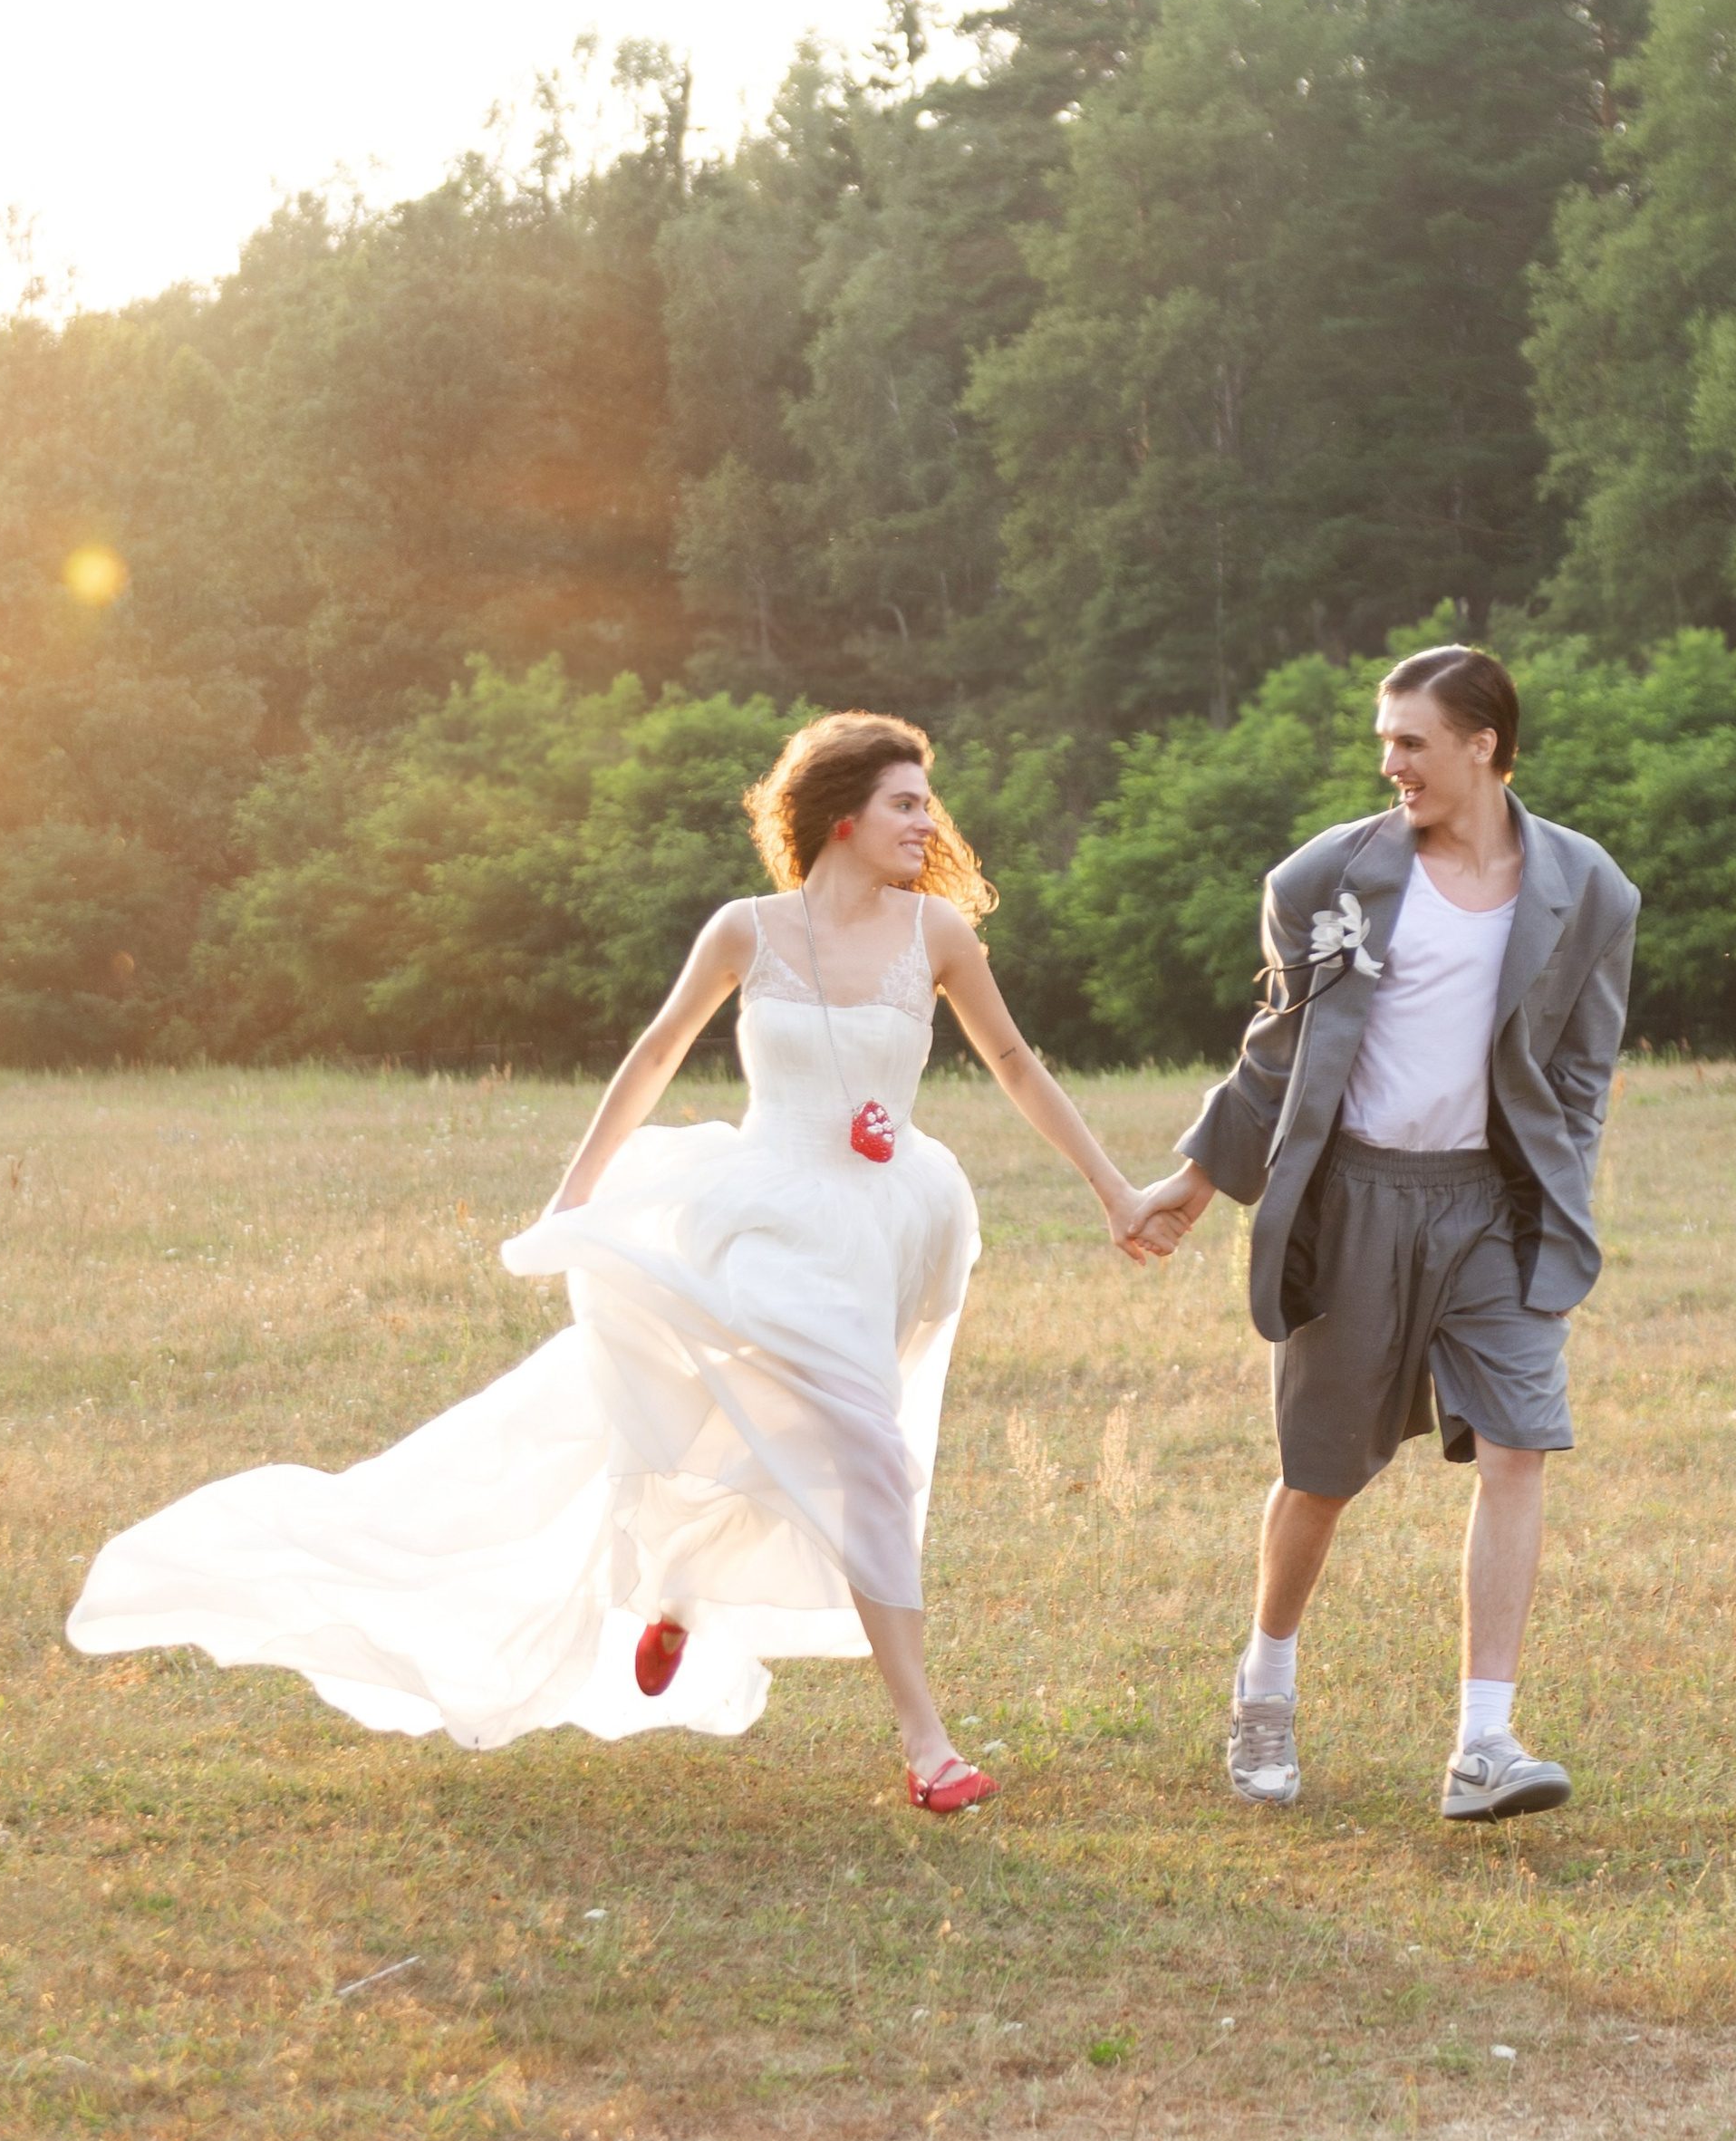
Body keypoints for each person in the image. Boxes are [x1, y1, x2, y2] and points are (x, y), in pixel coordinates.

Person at [68, 713, 1154, 1815]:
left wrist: (1115, 1190)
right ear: (842, 816)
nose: (928, 822)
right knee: (868, 1451)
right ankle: (927, 1744)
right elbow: (657, 1049)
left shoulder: (939, 936)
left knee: (793, 1421)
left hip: (891, 1219)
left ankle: (678, 1578)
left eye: (928, 803)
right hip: (769, 1215)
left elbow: (1016, 1065)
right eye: (905, 802)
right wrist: (573, 1194)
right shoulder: (749, 930)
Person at [1133, 645, 1637, 1822]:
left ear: (1483, 745)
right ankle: (1265, 1682)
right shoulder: (1331, 877)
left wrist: (1557, 1207)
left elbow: (1581, 1073)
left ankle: (1484, 1744)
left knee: (1519, 1445)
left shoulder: (1588, 889)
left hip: (1494, 1210)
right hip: (1355, 1199)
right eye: (1384, 738)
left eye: (1412, 739)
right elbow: (1278, 1051)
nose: (1389, 761)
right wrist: (1196, 1183)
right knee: (1322, 1473)